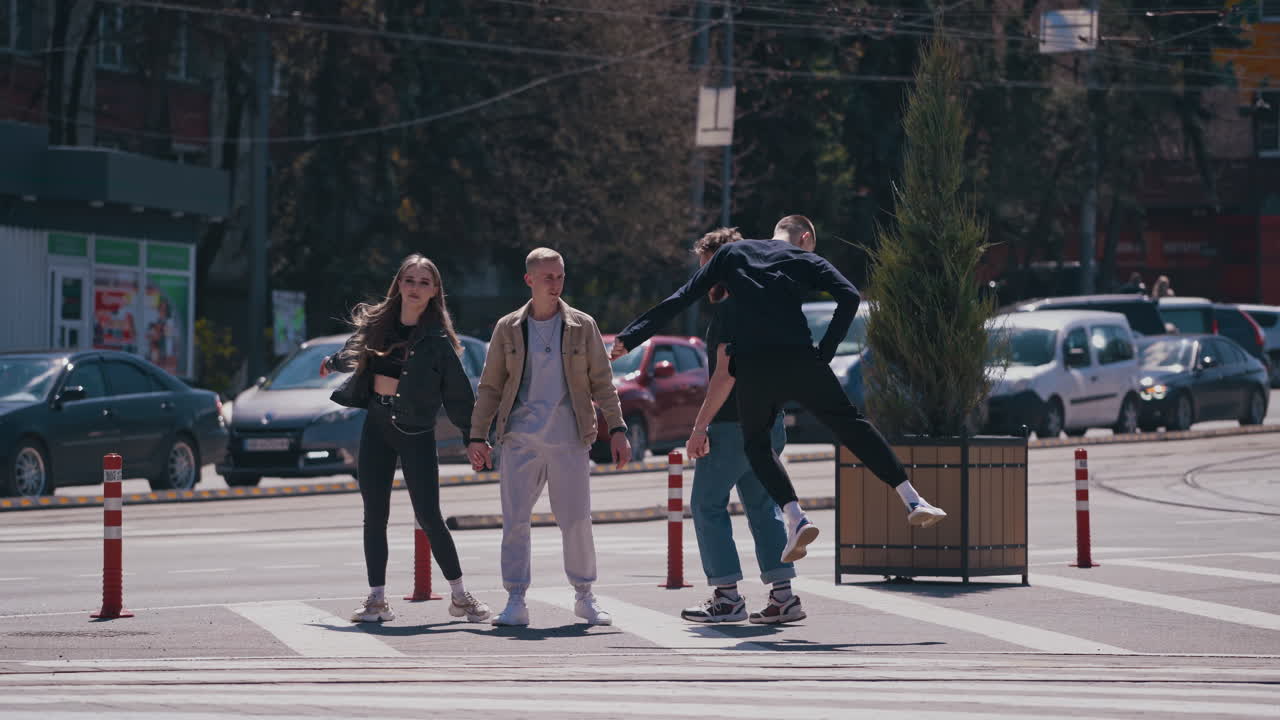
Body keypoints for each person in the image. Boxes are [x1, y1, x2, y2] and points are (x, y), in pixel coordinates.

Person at [611, 215, 947, 565]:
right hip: (802, 360)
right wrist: (825, 352)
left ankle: (796, 516)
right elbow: (848, 295)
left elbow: (682, 297)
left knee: (756, 442)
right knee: (851, 424)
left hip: (755, 368)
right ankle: (911, 498)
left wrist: (631, 336)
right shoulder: (807, 259)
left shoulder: (733, 253)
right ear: (804, 237)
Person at [320, 254, 491, 625]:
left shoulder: (437, 340)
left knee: (430, 516)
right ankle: (376, 601)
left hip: (416, 430)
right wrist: (333, 362)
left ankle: (461, 597)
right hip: (376, 425)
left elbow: (459, 395)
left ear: (434, 292)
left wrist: (474, 438)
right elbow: (354, 349)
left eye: (424, 282)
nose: (415, 288)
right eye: (409, 280)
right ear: (398, 284)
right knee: (374, 515)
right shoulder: (379, 324)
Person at [467, 247, 631, 627]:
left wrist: (618, 428)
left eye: (560, 276)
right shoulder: (509, 327)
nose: (555, 284)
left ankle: (585, 596)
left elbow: (602, 383)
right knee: (515, 521)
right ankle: (515, 600)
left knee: (576, 520)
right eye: (547, 277)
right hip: (519, 438)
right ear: (529, 280)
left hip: (570, 437)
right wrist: (478, 435)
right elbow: (490, 386)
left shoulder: (582, 325)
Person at [680, 227, 804, 626]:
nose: (704, 281)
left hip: (731, 424)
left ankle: (727, 596)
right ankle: (783, 596)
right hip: (770, 422)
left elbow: (724, 377)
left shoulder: (729, 312)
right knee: (761, 505)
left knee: (707, 505)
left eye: (707, 271)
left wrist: (700, 427)